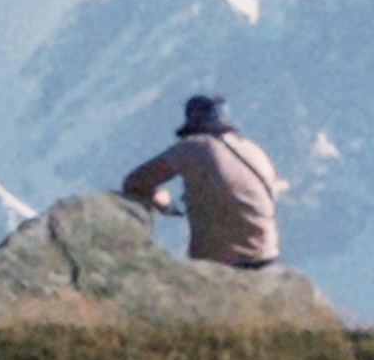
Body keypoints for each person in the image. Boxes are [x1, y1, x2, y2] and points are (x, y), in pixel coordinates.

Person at [121, 95, 283, 270]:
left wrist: (158, 197)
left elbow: (135, 181)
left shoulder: (194, 147)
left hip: (224, 260)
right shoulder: (253, 150)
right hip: (267, 254)